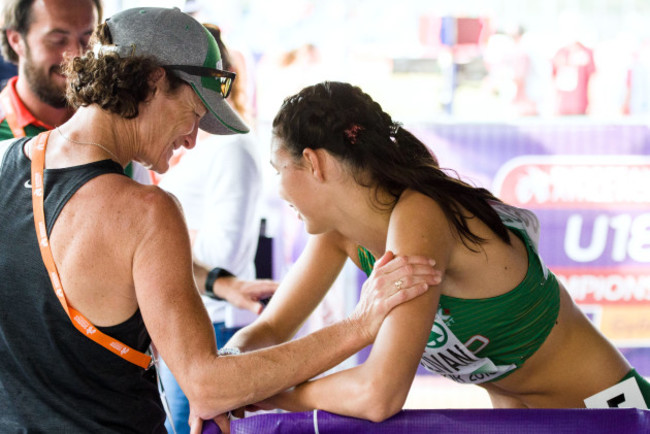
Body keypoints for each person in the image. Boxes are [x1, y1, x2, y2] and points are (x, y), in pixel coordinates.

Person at [0, 8, 440, 433]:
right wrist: (361, 324)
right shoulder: (148, 211)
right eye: (193, 114)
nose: (192, 138)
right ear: (154, 80)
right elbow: (208, 387)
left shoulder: (6, 163)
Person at [225, 81, 650, 422]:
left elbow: (378, 395)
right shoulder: (340, 234)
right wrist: (228, 372)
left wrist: (273, 395)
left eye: (279, 170)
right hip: (534, 420)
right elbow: (267, 332)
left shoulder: (419, 214)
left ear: (313, 163)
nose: (278, 190)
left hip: (616, 415)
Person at [156, 23, 278, 434]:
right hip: (180, 313)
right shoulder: (194, 144)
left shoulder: (232, 146)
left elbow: (224, 249)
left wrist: (155, 237)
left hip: (211, 320)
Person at [0, 0, 148, 181]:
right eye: (57, 40)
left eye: (87, 39)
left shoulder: (121, 125)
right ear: (16, 40)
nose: (76, 55)